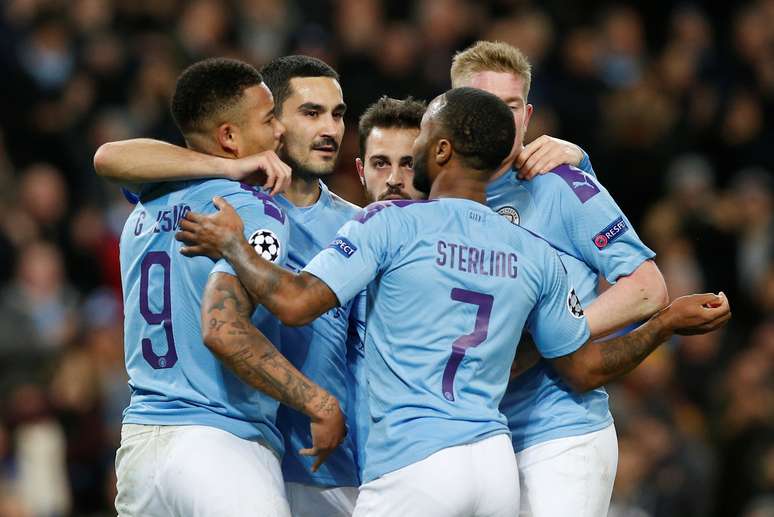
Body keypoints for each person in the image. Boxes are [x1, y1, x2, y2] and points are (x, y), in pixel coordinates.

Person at [174, 87, 731, 517]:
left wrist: (234, 246)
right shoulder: (533, 252)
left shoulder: (391, 224)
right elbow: (584, 368)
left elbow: (294, 303)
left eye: (420, 140)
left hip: (415, 462)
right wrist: (661, 327)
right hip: (492, 466)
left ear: (440, 150)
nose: (411, 150)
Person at [94, 55, 363, 516]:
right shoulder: (255, 210)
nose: (277, 131)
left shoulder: (149, 197)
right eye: (268, 120)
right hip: (221, 442)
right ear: (229, 136)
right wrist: (318, 402)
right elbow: (223, 328)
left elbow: (107, 156)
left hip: (141, 446)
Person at [451, 40, 671, 516]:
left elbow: (647, 288)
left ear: (527, 116)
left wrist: (555, 336)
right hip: (475, 439)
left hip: (559, 432)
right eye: (485, 106)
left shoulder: (561, 182)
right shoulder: (434, 199)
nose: (500, 121)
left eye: (510, 107)